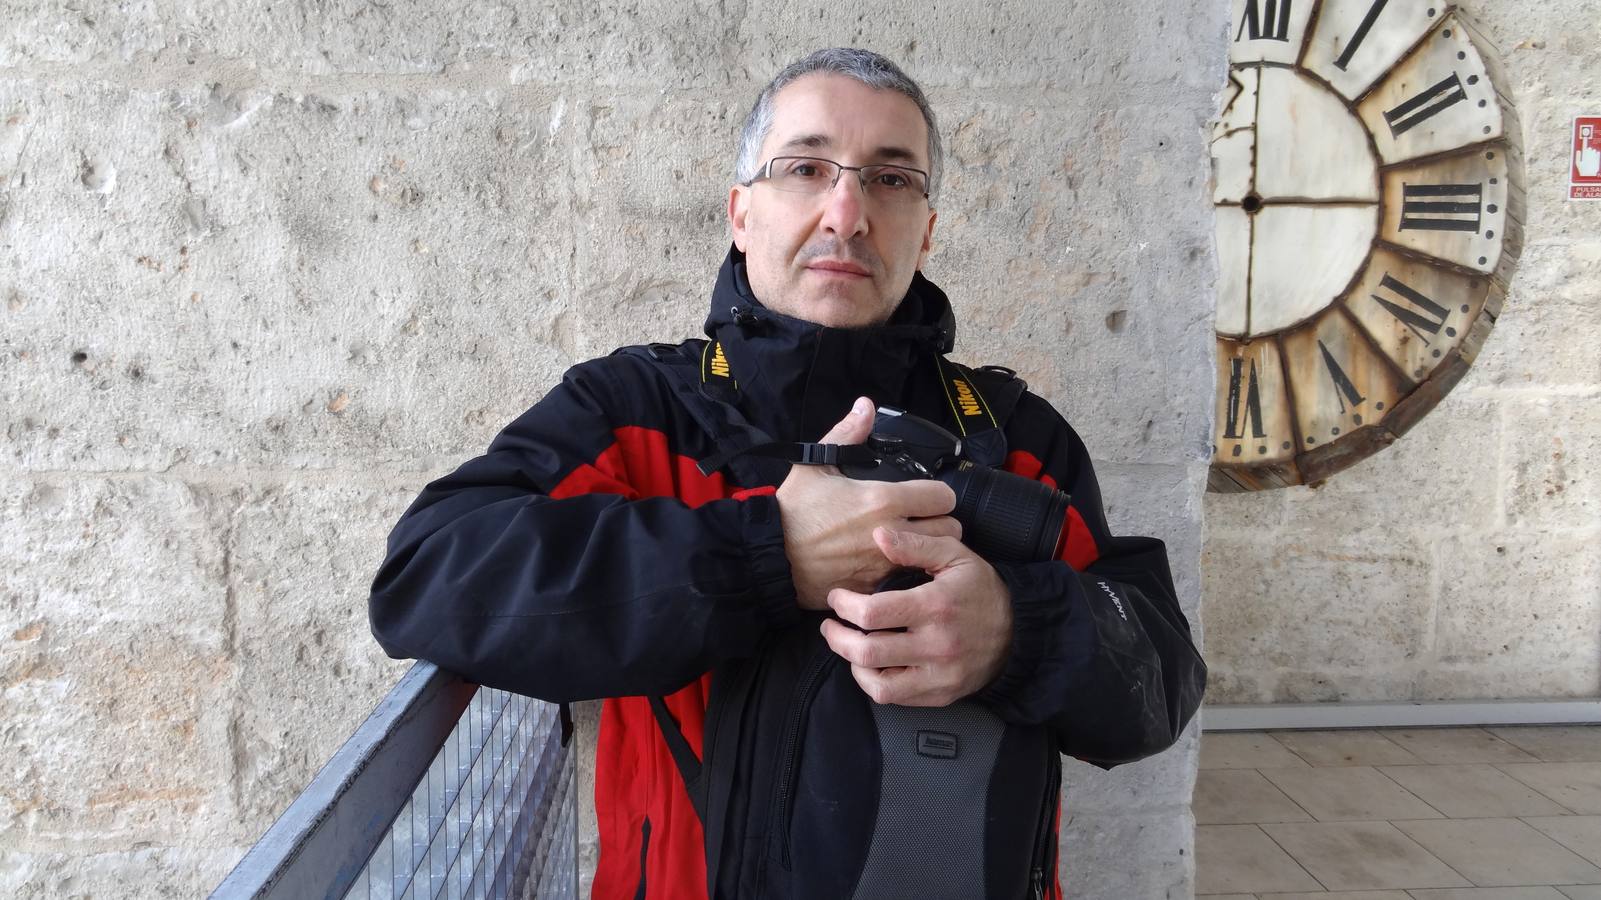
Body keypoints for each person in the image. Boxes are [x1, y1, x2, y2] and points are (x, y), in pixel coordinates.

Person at [370, 48, 1205, 900]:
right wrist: (767, 553)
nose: (846, 213)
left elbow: (1160, 684)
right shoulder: (633, 411)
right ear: (741, 212)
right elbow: (428, 576)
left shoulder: (1017, 439)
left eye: (891, 180)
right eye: (806, 168)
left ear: (927, 230)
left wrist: (1018, 634)